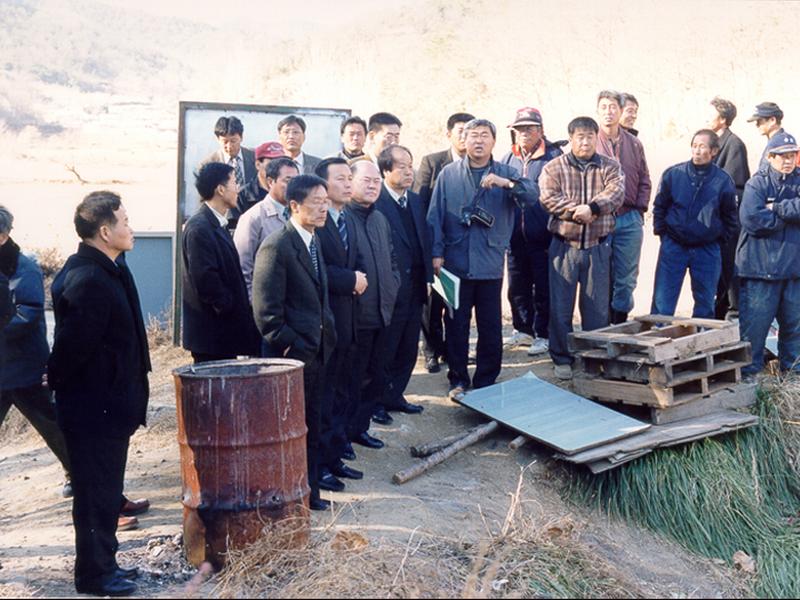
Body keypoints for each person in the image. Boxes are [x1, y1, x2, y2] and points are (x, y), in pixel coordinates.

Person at [47, 191, 151, 597]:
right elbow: (71, 349)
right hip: (93, 411)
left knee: (107, 494)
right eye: (125, 222)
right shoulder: (88, 278)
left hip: (109, 407)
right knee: (94, 497)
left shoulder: (109, 268)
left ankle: (106, 564)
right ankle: (94, 576)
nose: (131, 228)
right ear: (105, 232)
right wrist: (58, 380)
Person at [428, 118, 536, 398]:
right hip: (454, 264)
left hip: (490, 263)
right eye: (473, 135)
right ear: (464, 140)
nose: (478, 140)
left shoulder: (506, 172)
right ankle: (458, 379)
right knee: (455, 324)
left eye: (484, 135)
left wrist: (506, 184)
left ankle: (486, 380)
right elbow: (434, 216)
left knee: (490, 326)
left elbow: (532, 196)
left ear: (493, 141)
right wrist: (436, 253)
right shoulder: (448, 174)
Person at [252, 175, 336, 511]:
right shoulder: (277, 246)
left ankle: (308, 492)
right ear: (294, 205)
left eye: (325, 201)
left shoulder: (314, 241)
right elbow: (266, 313)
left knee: (311, 425)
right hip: (292, 358)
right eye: (316, 202)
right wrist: (291, 347)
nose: (323, 208)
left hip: (317, 351)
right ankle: (287, 497)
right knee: (287, 430)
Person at [539, 116, 625, 380]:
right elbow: (548, 198)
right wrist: (577, 211)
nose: (585, 142)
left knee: (597, 309)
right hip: (564, 247)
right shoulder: (554, 167)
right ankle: (562, 357)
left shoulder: (610, 166)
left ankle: (593, 358)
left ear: (596, 138)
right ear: (571, 138)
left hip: (598, 246)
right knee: (560, 307)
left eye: (590, 136)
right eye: (580, 137)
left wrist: (594, 208)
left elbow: (616, 193)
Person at [0, 205, 71, 493]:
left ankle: (77, 474)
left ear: (3, 236)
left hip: (24, 368)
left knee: (52, 425)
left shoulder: (23, 266)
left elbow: (27, 313)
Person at [314, 157, 366, 492]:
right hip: (326, 324)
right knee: (324, 397)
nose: (348, 184)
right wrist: (351, 279)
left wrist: (360, 277)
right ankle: (319, 466)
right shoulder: (317, 222)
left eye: (350, 178)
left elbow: (356, 260)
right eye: (341, 179)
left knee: (342, 392)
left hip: (350, 319)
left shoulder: (347, 217)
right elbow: (317, 269)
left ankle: (334, 456)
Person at [651, 129, 738, 318]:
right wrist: (663, 234)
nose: (697, 151)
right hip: (674, 246)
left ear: (714, 151)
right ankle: (658, 334)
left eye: (702, 147)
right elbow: (660, 206)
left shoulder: (723, 181)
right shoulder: (673, 174)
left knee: (705, 304)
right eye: (694, 146)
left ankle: (702, 336)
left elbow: (730, 216)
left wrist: (717, 239)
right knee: (662, 304)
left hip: (707, 250)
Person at [413, 112, 475, 373]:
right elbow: (420, 203)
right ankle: (431, 351)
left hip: (463, 249)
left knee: (456, 304)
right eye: (461, 131)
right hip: (435, 244)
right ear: (449, 134)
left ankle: (453, 350)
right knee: (432, 303)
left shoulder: (478, 165)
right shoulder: (433, 162)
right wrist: (429, 247)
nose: (465, 136)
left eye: (470, 132)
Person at [182, 162, 260, 363]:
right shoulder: (199, 228)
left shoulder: (216, 223)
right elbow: (205, 280)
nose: (238, 189)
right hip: (212, 333)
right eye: (234, 182)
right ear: (220, 189)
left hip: (223, 332)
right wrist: (229, 307)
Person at [500, 107, 563, 356]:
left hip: (544, 236)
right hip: (514, 236)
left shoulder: (554, 157)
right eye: (519, 129)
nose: (524, 133)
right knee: (517, 286)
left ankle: (543, 333)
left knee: (543, 288)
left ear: (541, 130)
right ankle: (522, 329)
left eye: (529, 128)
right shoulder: (508, 158)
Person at [374, 145, 430, 422]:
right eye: (402, 167)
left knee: (408, 347)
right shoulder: (376, 202)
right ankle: (376, 401)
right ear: (386, 170)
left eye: (411, 166)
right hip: (390, 288)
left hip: (416, 286)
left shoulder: (416, 201)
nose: (409, 172)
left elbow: (423, 240)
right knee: (385, 348)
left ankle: (396, 395)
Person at [737, 132, 800, 377]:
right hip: (760, 271)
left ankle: (792, 380)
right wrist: (790, 220)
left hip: (794, 272)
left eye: (792, 155)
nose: (788, 160)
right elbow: (752, 220)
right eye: (782, 156)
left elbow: (767, 215)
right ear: (770, 157)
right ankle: (749, 379)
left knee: (794, 330)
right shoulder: (757, 184)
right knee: (754, 331)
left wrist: (777, 208)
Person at [346, 160, 400, 447]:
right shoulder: (342, 218)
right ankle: (344, 435)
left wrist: (393, 284)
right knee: (352, 378)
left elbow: (391, 257)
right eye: (366, 180)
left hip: (383, 312)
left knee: (376, 375)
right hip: (357, 316)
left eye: (376, 180)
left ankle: (360, 428)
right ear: (350, 182)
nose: (372, 185)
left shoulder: (380, 218)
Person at [595, 90, 652, 324]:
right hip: (599, 217)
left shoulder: (634, 143)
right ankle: (600, 323)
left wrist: (639, 209)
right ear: (597, 111)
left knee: (627, 275)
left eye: (613, 107)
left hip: (629, 217)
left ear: (620, 111)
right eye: (604, 107)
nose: (608, 112)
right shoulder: (590, 141)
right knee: (599, 273)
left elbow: (644, 178)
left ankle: (619, 321)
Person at [708, 96, 751, 320]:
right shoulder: (711, 142)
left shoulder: (734, 144)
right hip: (713, 219)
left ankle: (734, 315)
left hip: (728, 220)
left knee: (729, 268)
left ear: (723, 119)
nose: (707, 118)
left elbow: (736, 185)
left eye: (711, 113)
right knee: (717, 271)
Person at [233, 157, 298, 299]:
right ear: (270, 182)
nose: (293, 187)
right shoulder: (254, 217)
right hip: (266, 301)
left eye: (296, 181)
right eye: (287, 181)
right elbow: (242, 267)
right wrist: (254, 303)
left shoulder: (298, 214)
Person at [200, 116, 256, 226]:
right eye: (224, 142)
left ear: (241, 137)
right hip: (223, 221)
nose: (229, 146)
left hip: (252, 219)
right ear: (218, 139)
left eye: (233, 141)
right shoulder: (208, 164)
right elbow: (205, 199)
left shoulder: (255, 158)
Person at [234, 141, 285, 224]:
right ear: (258, 165)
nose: (278, 168)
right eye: (273, 163)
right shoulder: (241, 196)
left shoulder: (290, 194)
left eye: (282, 163)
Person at [747, 102, 785, 171]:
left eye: (759, 121)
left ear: (772, 120)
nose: (757, 125)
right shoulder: (775, 142)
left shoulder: (781, 144)